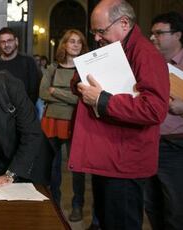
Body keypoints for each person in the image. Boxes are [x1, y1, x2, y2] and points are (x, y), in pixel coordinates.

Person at [69, 1, 170, 229]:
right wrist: (81, 83)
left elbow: (154, 109)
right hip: (109, 156)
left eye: (100, 31)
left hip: (126, 162)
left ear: (124, 23)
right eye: (94, 31)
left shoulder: (146, 54)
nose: (96, 37)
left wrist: (102, 100)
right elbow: (82, 80)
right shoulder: (113, 49)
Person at [39, 29, 88, 221]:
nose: (75, 45)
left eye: (79, 42)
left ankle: (77, 205)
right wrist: (70, 96)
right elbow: (42, 93)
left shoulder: (84, 70)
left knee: (77, 168)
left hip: (76, 121)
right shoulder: (52, 68)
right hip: (51, 121)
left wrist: (57, 93)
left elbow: (82, 100)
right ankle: (55, 204)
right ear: (64, 45)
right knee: (53, 167)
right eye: (72, 41)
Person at [145, 11, 183, 230]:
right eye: (152, 33)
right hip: (149, 142)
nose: (152, 38)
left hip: (176, 145)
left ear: (177, 35)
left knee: (175, 208)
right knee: (151, 203)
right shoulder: (151, 63)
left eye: (159, 33)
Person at [0, 27, 40, 104]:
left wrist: (26, 110)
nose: (6, 45)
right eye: (3, 42)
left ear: (16, 41)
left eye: (9, 41)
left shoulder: (28, 62)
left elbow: (34, 91)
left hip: (25, 111)